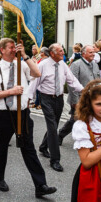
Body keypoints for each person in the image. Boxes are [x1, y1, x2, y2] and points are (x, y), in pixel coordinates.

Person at [0, 38, 57, 198]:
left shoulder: (22, 64)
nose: (14, 49)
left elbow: (37, 73)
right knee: (1, 147)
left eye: (15, 47)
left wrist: (25, 55)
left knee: (28, 148)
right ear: (2, 50)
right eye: (11, 47)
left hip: (23, 114)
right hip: (4, 115)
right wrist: (10, 91)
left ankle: (40, 185)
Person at [32, 43, 83, 172]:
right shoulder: (43, 65)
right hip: (46, 98)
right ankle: (55, 160)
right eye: (60, 51)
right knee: (53, 127)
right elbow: (35, 82)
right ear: (52, 53)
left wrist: (85, 90)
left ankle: (43, 147)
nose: (63, 53)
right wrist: (29, 99)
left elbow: (72, 81)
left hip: (59, 99)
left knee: (53, 125)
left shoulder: (63, 65)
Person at [58, 45, 101, 145]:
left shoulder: (95, 65)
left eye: (94, 52)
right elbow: (71, 84)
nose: (93, 54)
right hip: (80, 99)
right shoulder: (76, 65)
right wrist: (75, 101)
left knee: (93, 119)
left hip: (93, 99)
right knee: (75, 119)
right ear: (83, 54)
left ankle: (91, 138)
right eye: (91, 52)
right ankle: (60, 135)